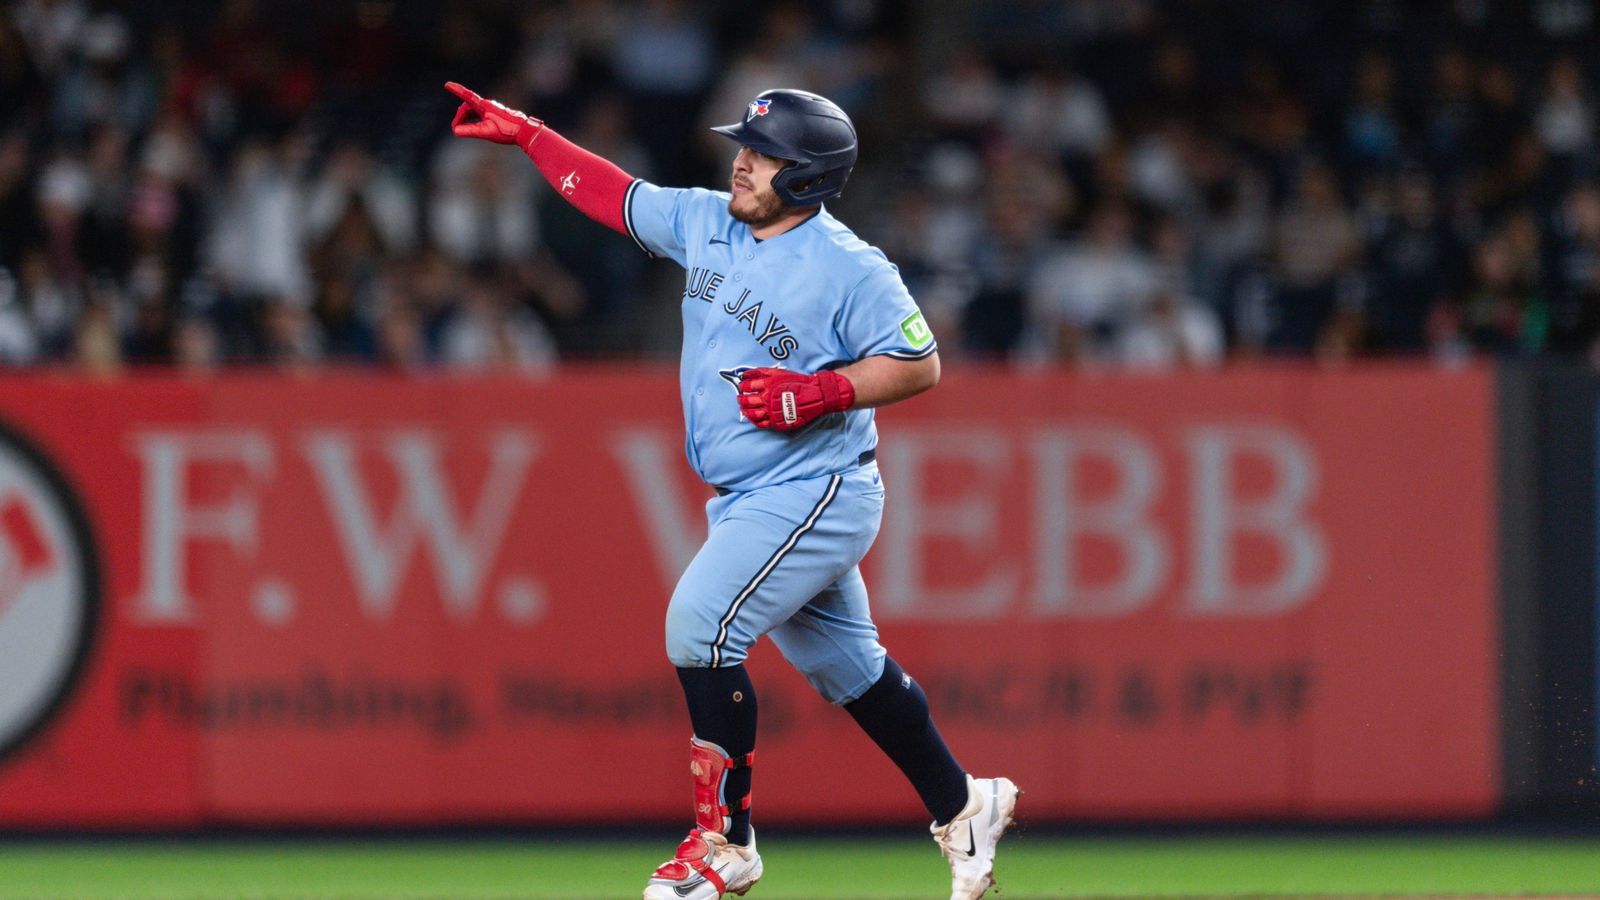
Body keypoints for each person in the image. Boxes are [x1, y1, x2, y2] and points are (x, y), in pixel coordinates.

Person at [445, 81, 1019, 900]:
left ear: (809, 177)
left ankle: (725, 842)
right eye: (745, 147)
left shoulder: (850, 267)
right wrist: (535, 136)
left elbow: (919, 362)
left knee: (700, 625)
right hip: (749, 493)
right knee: (848, 669)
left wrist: (822, 392)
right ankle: (964, 803)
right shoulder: (708, 219)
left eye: (764, 153)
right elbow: (617, 197)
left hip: (817, 486)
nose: (742, 162)